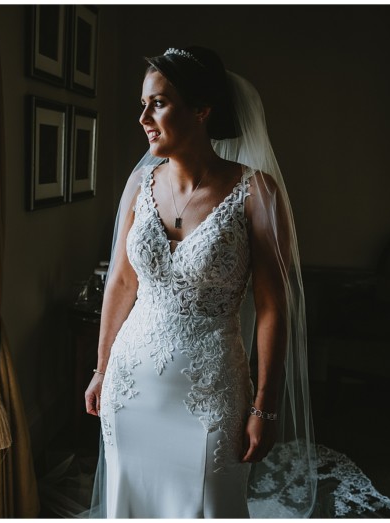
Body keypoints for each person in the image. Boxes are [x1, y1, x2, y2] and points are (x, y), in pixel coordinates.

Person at [83, 46, 317, 518]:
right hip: (129, 388)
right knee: (131, 501)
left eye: (160, 103)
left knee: (210, 504)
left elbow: (273, 306)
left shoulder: (256, 193)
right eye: (143, 104)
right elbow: (122, 285)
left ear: (202, 110)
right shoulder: (139, 185)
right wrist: (102, 369)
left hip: (211, 394)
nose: (144, 117)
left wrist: (264, 406)